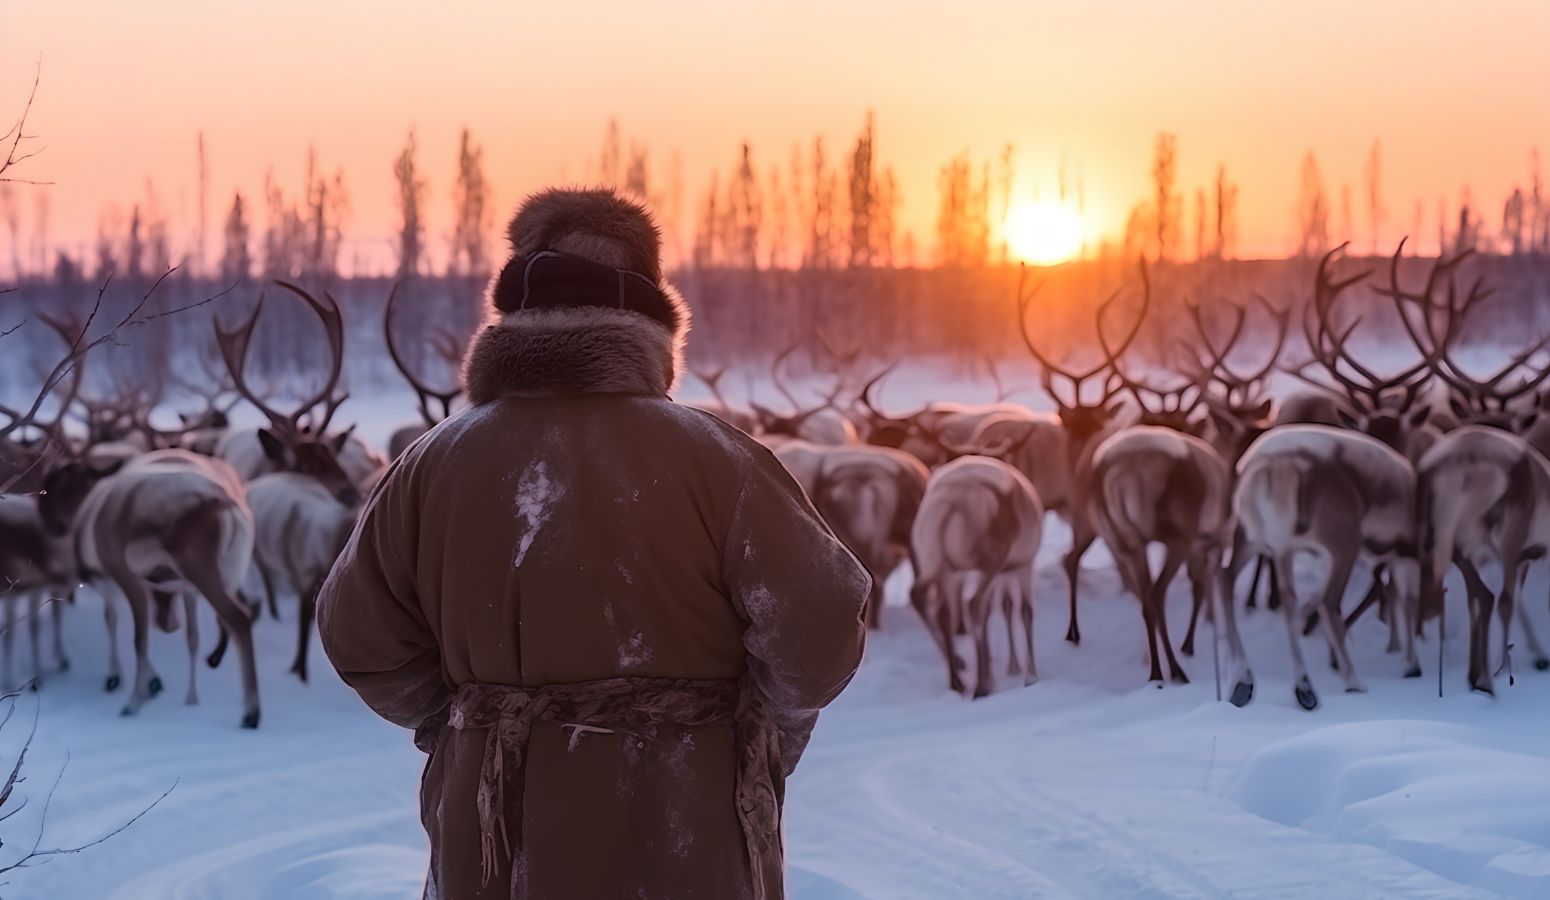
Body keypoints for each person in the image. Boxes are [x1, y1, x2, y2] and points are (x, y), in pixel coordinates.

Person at [318, 187, 870, 900]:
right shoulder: (719, 459)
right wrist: (761, 729)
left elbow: (358, 636)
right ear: (651, 319)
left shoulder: (429, 464)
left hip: (490, 842)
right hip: (685, 823)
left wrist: (470, 725)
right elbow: (819, 623)